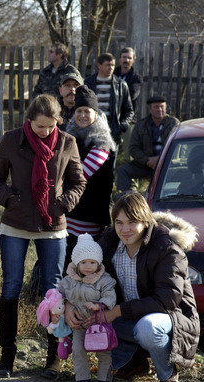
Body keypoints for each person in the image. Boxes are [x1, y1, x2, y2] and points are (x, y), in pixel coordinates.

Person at [0, 94, 86, 379]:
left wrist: (63, 203)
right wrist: (9, 199)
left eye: (50, 127)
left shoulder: (67, 142)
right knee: (12, 287)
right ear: (29, 120)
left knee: (52, 291)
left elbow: (79, 181)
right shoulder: (11, 139)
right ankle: (8, 353)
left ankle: (54, 354)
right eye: (40, 127)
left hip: (53, 224)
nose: (45, 132)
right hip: (15, 222)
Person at [66, 191, 200, 382]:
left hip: (169, 317)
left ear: (145, 221)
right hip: (127, 314)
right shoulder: (108, 243)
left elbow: (167, 299)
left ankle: (167, 372)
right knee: (81, 318)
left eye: (132, 222)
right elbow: (76, 274)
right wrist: (69, 306)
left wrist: (115, 312)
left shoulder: (167, 248)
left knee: (147, 328)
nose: (125, 229)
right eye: (119, 222)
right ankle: (134, 363)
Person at [58, 233, 117, 382]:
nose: (88, 266)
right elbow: (59, 294)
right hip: (79, 325)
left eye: (92, 262)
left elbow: (110, 295)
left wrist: (100, 305)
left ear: (98, 263)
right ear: (76, 263)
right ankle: (82, 378)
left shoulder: (104, 280)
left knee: (104, 352)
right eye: (83, 262)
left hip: (100, 323)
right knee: (78, 349)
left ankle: (104, 379)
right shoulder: (68, 280)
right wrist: (62, 304)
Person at [64, 86, 116, 264]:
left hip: (89, 213)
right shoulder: (69, 137)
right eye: (79, 111)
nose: (82, 115)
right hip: (68, 209)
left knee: (84, 260)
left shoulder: (102, 142)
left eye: (87, 111)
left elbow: (81, 174)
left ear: (96, 114)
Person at [116, 96, 179, 192]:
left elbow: (178, 147)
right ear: (149, 109)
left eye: (162, 106)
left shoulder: (174, 123)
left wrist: (160, 159)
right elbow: (133, 148)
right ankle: (124, 199)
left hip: (168, 164)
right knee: (123, 170)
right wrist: (147, 160)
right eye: (156, 107)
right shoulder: (141, 125)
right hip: (146, 164)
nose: (160, 109)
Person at [84, 53, 135, 145]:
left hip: (113, 132)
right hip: (90, 130)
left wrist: (122, 126)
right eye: (108, 65)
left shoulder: (121, 85)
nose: (111, 68)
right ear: (99, 65)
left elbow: (129, 110)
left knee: (110, 158)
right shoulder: (87, 83)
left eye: (113, 65)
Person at [114, 47, 142, 114]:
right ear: (120, 59)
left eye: (129, 58)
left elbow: (132, 95)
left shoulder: (136, 78)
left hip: (127, 114)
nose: (126, 60)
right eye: (124, 57)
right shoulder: (111, 75)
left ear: (133, 60)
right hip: (111, 113)